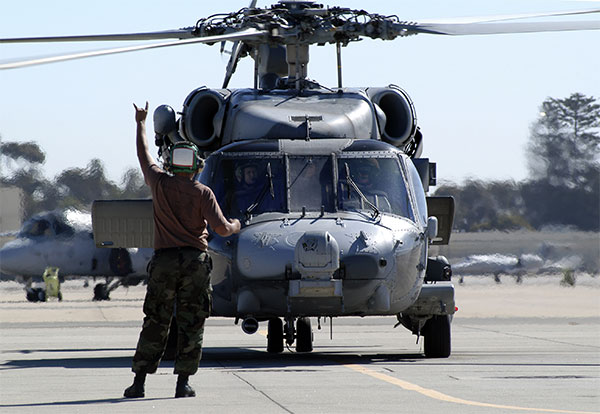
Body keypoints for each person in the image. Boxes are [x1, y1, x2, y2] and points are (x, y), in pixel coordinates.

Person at [124, 102, 241, 399]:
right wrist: (238, 225)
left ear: (172, 163)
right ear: (197, 166)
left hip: (163, 261)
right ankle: (182, 384)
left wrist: (140, 123)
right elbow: (223, 230)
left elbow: (143, 154)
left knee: (155, 320)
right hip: (194, 263)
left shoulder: (159, 184)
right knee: (192, 321)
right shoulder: (203, 193)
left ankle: (138, 383)